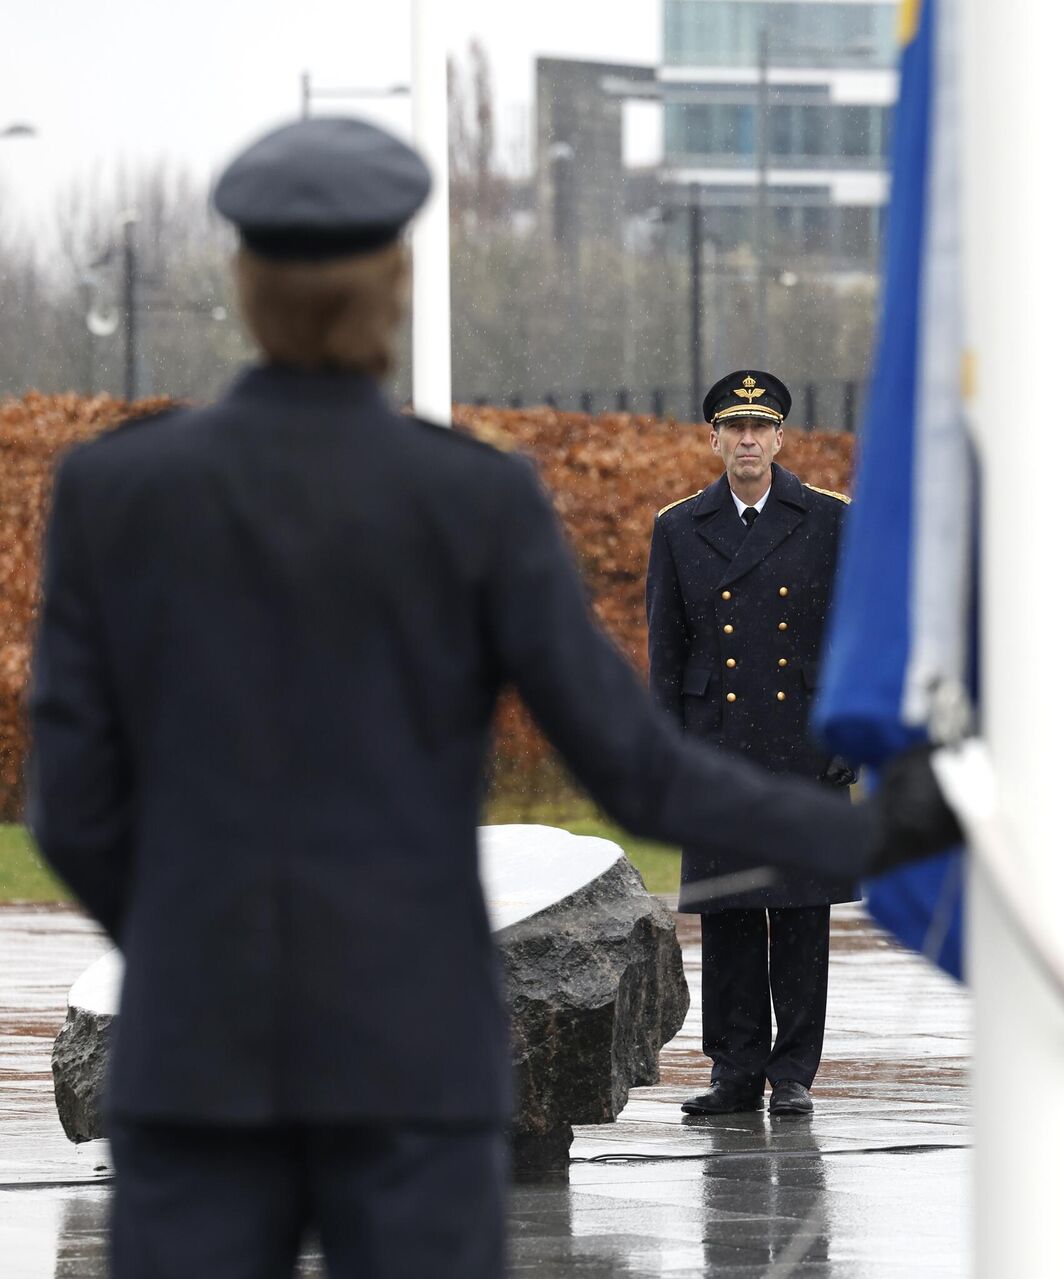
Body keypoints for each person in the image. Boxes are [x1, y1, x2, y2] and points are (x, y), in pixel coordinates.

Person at [26, 118, 959, 1279]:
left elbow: (71, 798)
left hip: (195, 1056)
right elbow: (639, 769)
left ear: (244, 288)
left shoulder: (117, 489)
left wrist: (192, 949)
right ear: (395, 288)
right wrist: (879, 829)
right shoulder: (473, 497)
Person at [647, 370, 860, 1118]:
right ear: (713, 439)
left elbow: (853, 634)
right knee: (729, 911)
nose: (747, 440)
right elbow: (666, 650)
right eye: (733, 428)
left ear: (779, 438)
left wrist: (851, 728)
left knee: (800, 914)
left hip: (803, 740)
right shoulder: (680, 527)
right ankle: (734, 1069)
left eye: (759, 427)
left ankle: (794, 1070)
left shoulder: (829, 519)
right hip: (717, 744)